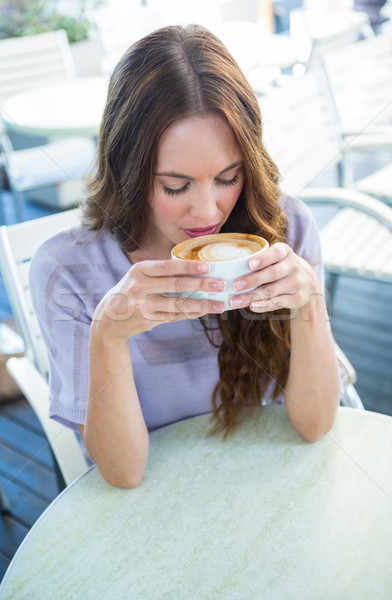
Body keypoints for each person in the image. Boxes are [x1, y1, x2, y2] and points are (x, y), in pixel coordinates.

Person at [30, 24, 341, 489]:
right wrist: (108, 337)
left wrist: (308, 305)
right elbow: (123, 473)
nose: (208, 211)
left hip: (278, 482)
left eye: (228, 177)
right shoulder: (68, 271)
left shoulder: (286, 230)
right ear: (127, 173)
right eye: (175, 186)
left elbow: (314, 426)